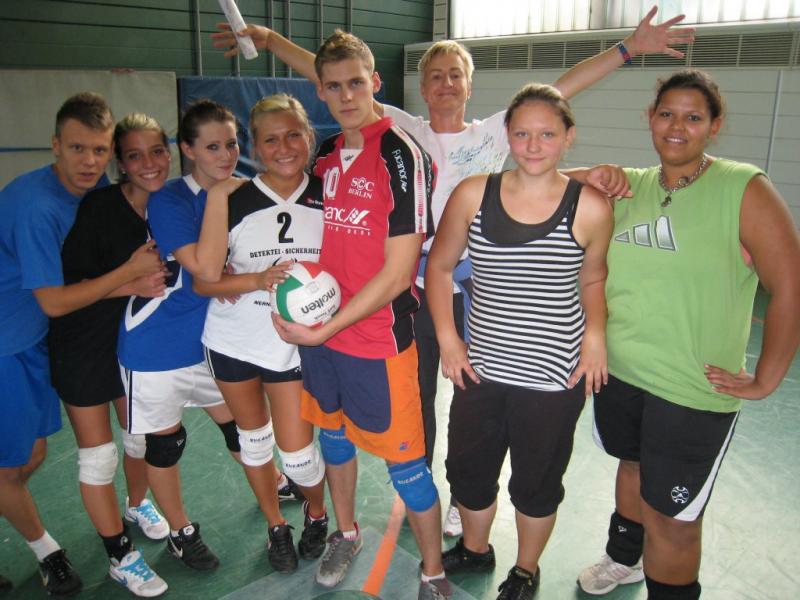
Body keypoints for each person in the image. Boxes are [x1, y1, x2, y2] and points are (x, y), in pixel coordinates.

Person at [212, 5, 694, 537]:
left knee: (473, 392)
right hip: (417, 285)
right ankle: (419, 479)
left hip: (476, 289)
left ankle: (469, 497)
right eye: (435, 76)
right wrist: (271, 40)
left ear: (469, 84)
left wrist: (628, 48)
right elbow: (334, 77)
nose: (445, 84)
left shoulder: (492, 134)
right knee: (417, 395)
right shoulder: (403, 127)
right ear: (421, 87)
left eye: (455, 75)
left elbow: (560, 91)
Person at [568, 70, 800, 599]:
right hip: (621, 374)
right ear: (650, 119)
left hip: (692, 389)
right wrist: (593, 172)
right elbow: (542, 179)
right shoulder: (630, 186)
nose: (677, 127)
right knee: (632, 467)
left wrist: (767, 377)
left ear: (714, 126)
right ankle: (623, 557)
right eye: (667, 114)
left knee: (672, 518)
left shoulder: (743, 188)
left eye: (693, 117)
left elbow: (789, 286)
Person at [270, 30, 446, 599]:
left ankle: (434, 573)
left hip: (376, 339)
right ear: (320, 90)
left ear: (375, 83)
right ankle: (345, 534)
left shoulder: (401, 154)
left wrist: (327, 326)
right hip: (323, 335)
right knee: (334, 438)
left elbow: (398, 274)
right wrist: (291, 287)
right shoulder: (324, 155)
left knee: (407, 468)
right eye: (333, 86)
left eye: (355, 83)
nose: (345, 96)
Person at [424, 83, 612, 599]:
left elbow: (593, 278)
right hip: (480, 370)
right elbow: (439, 267)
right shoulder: (473, 194)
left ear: (568, 137)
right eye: (523, 133)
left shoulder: (590, 207)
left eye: (547, 134)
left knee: (536, 483)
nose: (533, 145)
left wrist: (596, 336)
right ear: (507, 135)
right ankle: (476, 549)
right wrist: (449, 339)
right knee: (468, 471)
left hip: (554, 377)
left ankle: (526, 569)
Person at [0, 93, 162, 596]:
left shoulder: (93, 195)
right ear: (55, 146)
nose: (89, 161)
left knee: (30, 458)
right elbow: (53, 300)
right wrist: (129, 274)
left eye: (98, 149)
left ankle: (134, 505)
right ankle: (47, 550)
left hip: (38, 340)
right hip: (7, 345)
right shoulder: (36, 206)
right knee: (11, 466)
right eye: (77, 148)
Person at [194, 94, 329, 572]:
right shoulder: (233, 199)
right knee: (252, 442)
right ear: (254, 147)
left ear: (309, 137)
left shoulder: (330, 194)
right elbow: (204, 280)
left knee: (298, 455)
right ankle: (276, 526)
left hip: (294, 346)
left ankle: (317, 512)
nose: (283, 147)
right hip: (233, 341)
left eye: (294, 135)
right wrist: (256, 279)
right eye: (270, 140)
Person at [48, 113, 174, 597]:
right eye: (135, 155)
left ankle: (137, 504)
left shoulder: (170, 205)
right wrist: (129, 281)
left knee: (138, 439)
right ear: (121, 163)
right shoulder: (100, 207)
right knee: (99, 457)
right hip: (81, 345)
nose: (149, 163)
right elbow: (68, 290)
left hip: (131, 345)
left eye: (157, 151)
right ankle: (120, 556)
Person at [116, 99, 245, 573]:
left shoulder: (245, 190)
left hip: (211, 342)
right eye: (212, 146)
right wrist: (221, 196)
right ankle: (180, 532)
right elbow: (205, 270)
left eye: (232, 143)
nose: (226, 155)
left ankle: (274, 483)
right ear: (188, 150)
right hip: (156, 344)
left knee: (242, 427)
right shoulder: (170, 200)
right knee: (166, 445)